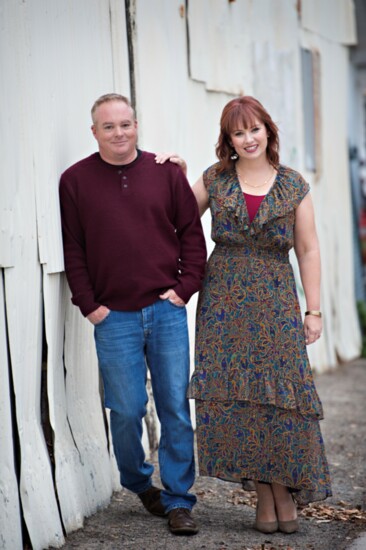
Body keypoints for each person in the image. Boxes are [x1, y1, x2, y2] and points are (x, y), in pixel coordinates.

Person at [161, 95, 332, 534]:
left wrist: (313, 310)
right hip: (223, 303)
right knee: (240, 400)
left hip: (276, 301)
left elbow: (309, 250)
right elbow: (174, 217)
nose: (248, 138)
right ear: (229, 139)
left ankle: (282, 488)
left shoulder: (293, 184)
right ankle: (264, 494)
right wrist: (174, 176)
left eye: (255, 129)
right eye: (239, 132)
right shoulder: (215, 179)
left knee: (280, 399)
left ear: (268, 132)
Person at [59, 93, 207, 536]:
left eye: (126, 124)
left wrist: (184, 290)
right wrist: (91, 306)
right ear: (94, 132)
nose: (119, 133)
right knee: (125, 409)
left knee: (175, 407)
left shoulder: (166, 174)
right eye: (109, 127)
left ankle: (180, 500)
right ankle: (140, 484)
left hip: (165, 311)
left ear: (136, 125)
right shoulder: (75, 181)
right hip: (114, 318)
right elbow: (73, 249)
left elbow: (192, 238)